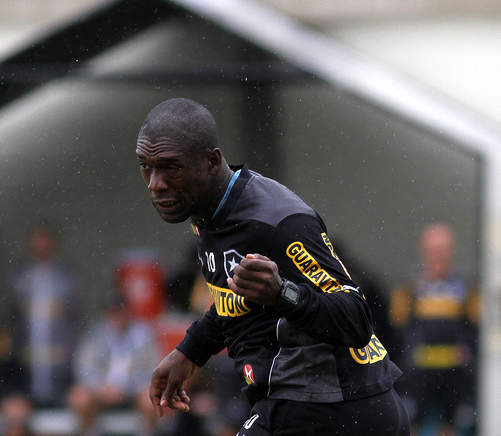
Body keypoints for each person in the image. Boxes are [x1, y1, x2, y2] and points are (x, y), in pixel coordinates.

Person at [135, 98, 409, 436]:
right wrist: (190, 351)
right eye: (146, 166)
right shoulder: (206, 208)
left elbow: (356, 319)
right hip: (306, 403)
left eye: (170, 167)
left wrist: (283, 293)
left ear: (211, 161)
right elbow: (238, 299)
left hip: (336, 408)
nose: (155, 183)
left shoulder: (278, 222)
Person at [389, 222, 480, 436]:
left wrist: (467, 352)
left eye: (443, 248)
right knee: (410, 423)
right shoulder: (408, 285)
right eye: (433, 248)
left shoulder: (466, 285)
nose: (438, 254)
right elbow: (397, 329)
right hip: (417, 375)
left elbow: (476, 328)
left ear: (452, 250)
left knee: (454, 426)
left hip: (456, 375)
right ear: (424, 250)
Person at [66, 290, 160, 436]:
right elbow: (83, 368)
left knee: (151, 399)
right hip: (101, 391)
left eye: (119, 311)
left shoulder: (143, 334)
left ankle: (147, 432)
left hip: (133, 391)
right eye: (112, 312)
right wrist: (101, 387)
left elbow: (153, 369)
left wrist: (126, 387)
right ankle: (88, 432)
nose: (116, 317)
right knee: (79, 397)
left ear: (128, 311)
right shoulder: (95, 335)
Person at [12, 225, 80, 407]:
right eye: (37, 239)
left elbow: (75, 313)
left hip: (58, 354)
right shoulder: (20, 276)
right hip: (28, 354)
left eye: (46, 239)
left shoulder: (65, 276)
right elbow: (14, 315)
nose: (41, 244)